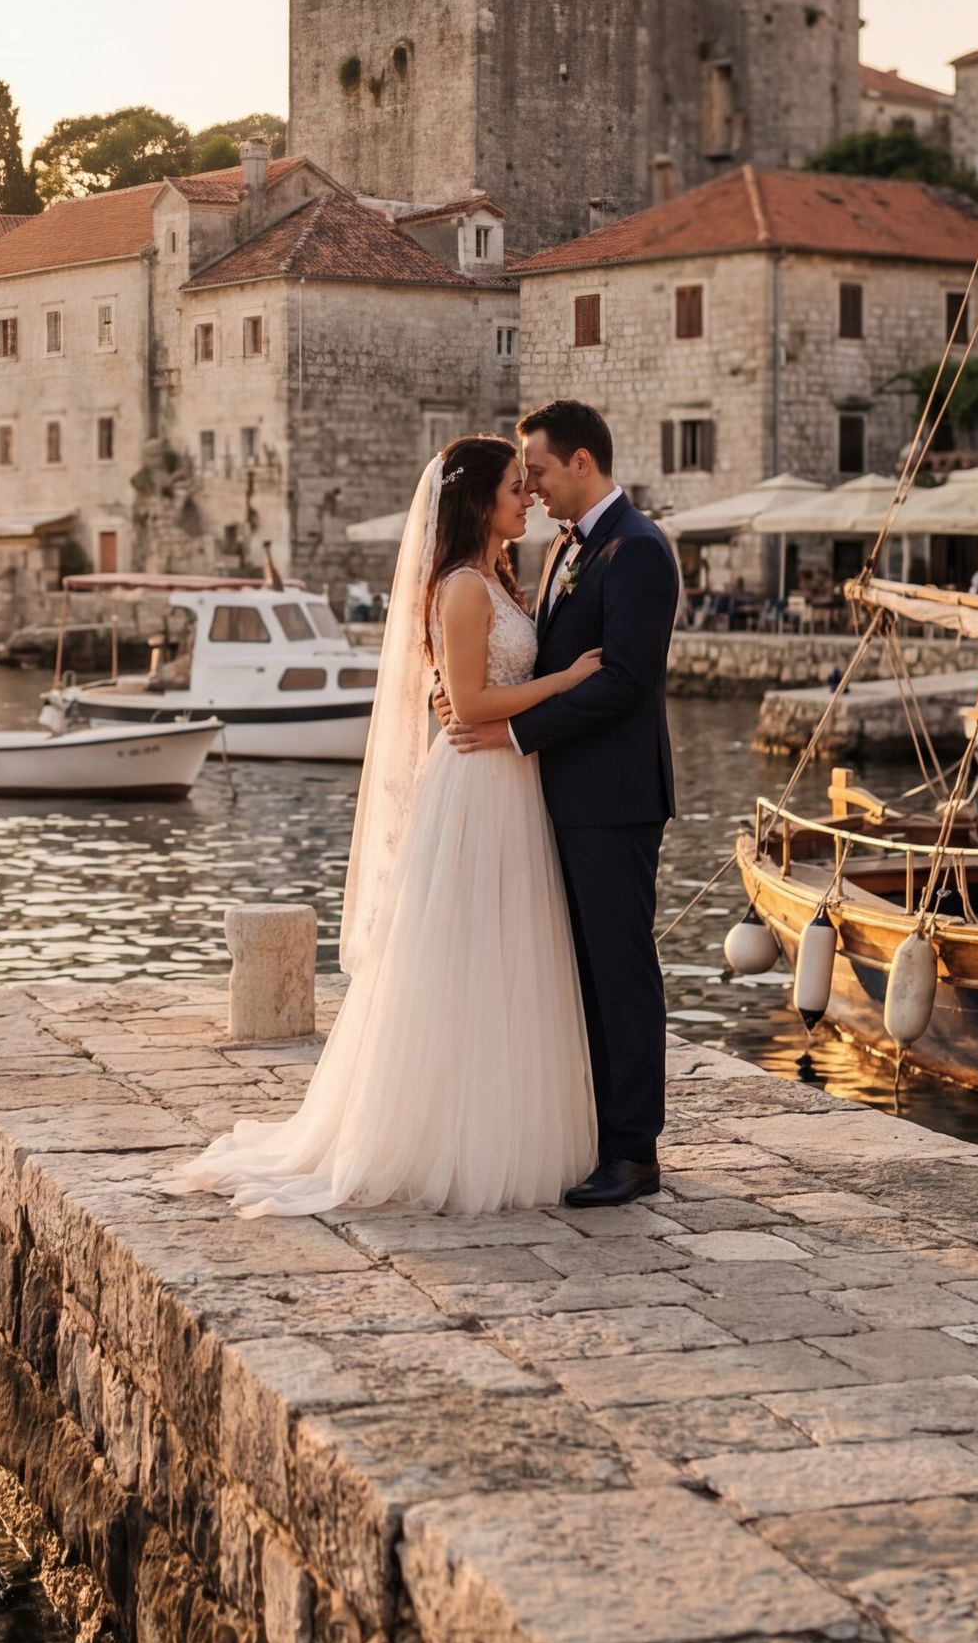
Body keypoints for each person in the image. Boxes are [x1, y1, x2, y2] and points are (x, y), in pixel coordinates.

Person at [171, 437, 600, 1216]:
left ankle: (501, 1125)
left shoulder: (498, 578)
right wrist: (564, 682)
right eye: (514, 486)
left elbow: (464, 687)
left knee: (508, 953)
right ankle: (447, 1137)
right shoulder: (462, 586)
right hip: (477, 782)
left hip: (511, 777)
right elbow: (469, 703)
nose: (527, 498)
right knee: (464, 955)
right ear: (478, 501)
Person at [446, 400, 680, 1207]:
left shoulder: (638, 549)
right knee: (578, 973)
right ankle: (596, 1135)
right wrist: (465, 699)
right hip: (559, 797)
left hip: (614, 799)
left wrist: (514, 734)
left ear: (583, 461)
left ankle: (634, 1151)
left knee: (620, 971)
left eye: (540, 470)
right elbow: (530, 661)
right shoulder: (562, 550)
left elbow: (623, 681)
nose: (533, 487)